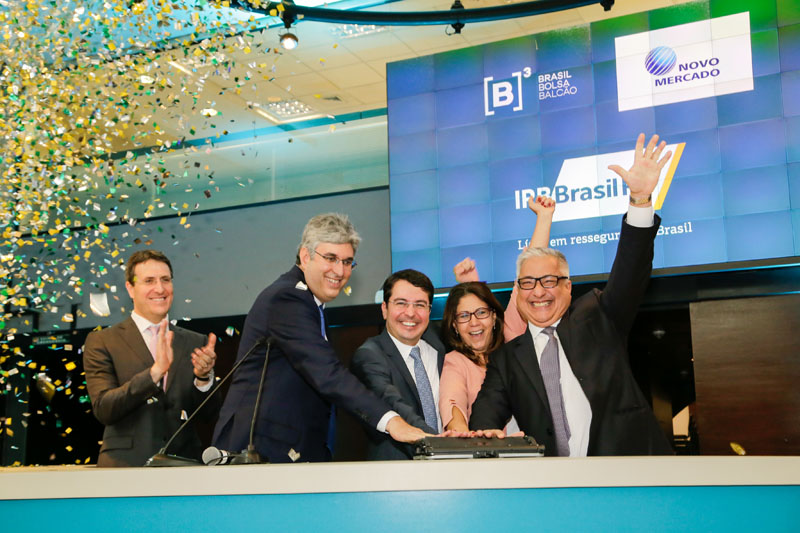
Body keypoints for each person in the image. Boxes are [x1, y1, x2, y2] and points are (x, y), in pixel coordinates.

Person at [470, 133, 675, 456]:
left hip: (630, 473)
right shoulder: (506, 360)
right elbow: (484, 419)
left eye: (549, 280)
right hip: (555, 483)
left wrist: (639, 199)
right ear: (517, 291)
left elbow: (631, 269)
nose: (538, 291)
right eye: (527, 283)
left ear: (568, 286)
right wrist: (486, 438)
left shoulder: (598, 317)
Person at [212, 213, 428, 463]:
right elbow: (328, 374)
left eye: (347, 262)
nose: (340, 270)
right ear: (306, 256)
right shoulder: (287, 299)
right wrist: (392, 422)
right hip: (258, 449)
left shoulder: (311, 303)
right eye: (331, 258)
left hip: (290, 450)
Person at [83, 250, 219, 467]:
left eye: (165, 280)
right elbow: (104, 408)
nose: (160, 288)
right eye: (149, 281)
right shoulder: (103, 341)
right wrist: (155, 373)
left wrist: (203, 379)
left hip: (184, 466)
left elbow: (209, 415)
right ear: (130, 288)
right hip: (125, 467)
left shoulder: (195, 341)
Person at [439, 196, 555, 432]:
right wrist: (461, 436)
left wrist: (544, 217)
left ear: (494, 317)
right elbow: (452, 403)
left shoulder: (511, 337)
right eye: (464, 316)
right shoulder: (456, 361)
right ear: (454, 326)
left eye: (481, 312)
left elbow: (527, 277)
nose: (474, 322)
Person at [350, 270, 446, 460]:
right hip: (397, 469)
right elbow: (393, 403)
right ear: (384, 309)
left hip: (450, 467)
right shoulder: (369, 355)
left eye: (420, 305)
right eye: (401, 303)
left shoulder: (438, 345)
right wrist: (441, 443)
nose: (410, 313)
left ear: (429, 311)